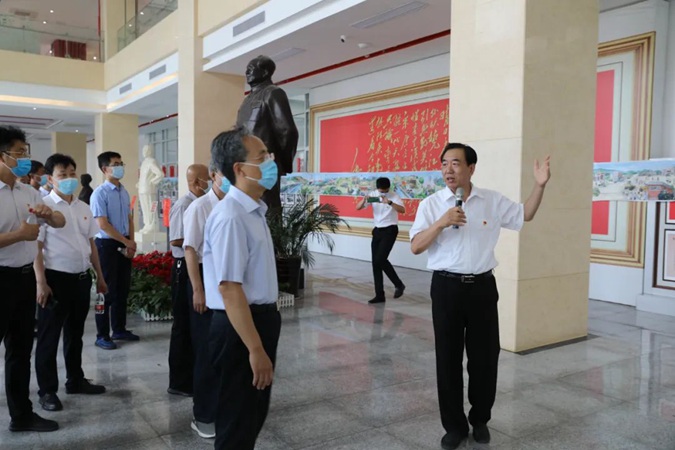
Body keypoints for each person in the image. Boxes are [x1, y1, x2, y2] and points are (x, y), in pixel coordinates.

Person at [409, 143, 551, 449]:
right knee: (447, 359)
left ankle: (480, 419)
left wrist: (539, 186)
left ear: (471, 168)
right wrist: (442, 222)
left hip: (483, 289)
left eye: (455, 163)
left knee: (485, 359)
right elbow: (416, 246)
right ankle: (454, 426)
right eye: (444, 163)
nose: (448, 170)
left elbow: (525, 214)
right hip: (446, 288)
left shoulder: (492, 201)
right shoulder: (431, 205)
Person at [204, 126, 281, 449]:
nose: (271, 162)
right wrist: (255, 349)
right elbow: (230, 289)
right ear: (239, 168)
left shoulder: (253, 211)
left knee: (251, 414)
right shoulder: (232, 217)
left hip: (257, 320)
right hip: (240, 328)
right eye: (262, 158)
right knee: (237, 421)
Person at [0, 125, 65, 432]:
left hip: (24, 279)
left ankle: (21, 415)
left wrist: (50, 215)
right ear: (2, 156)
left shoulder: (29, 191)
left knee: (20, 350)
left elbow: (59, 220)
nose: (25, 159)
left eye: (26, 152)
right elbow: (24, 234)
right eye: (19, 153)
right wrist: (19, 235)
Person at [34, 154, 108, 412]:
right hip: (55, 280)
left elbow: (91, 245)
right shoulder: (43, 207)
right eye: (62, 175)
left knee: (75, 334)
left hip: (80, 278)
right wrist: (40, 282)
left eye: (71, 173)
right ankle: (47, 391)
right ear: (50, 178)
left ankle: (75, 380)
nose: (68, 179)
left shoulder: (83, 207)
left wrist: (100, 276)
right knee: (49, 337)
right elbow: (36, 247)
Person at [182, 164, 230, 439]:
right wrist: (197, 289)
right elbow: (190, 249)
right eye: (225, 174)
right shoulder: (200, 207)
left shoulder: (236, 205)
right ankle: (203, 415)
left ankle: (222, 406)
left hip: (227, 280)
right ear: (213, 176)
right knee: (206, 350)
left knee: (226, 349)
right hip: (204, 277)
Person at [167, 163, 209, 398]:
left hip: (198, 267)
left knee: (196, 325)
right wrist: (200, 238)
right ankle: (179, 382)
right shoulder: (184, 205)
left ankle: (194, 376)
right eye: (207, 178)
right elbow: (176, 240)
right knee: (182, 325)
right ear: (196, 182)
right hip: (183, 268)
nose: (209, 182)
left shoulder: (203, 203)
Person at [90, 151, 139, 350]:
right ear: (105, 169)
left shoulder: (123, 191)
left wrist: (131, 242)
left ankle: (119, 328)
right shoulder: (99, 193)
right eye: (115, 164)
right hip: (107, 246)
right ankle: (102, 334)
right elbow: (102, 224)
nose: (120, 167)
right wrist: (125, 241)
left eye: (121, 163)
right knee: (106, 291)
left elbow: (129, 219)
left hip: (124, 243)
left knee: (122, 290)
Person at [236, 55, 299, 210]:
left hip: (264, 165)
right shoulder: (247, 99)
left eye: (251, 69)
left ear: (265, 72)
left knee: (267, 209)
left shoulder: (273, 93)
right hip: (246, 165)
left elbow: (288, 131)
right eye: (246, 69)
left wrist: (281, 163)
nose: (247, 72)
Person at [356, 177, 406, 304]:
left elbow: (402, 210)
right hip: (377, 230)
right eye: (381, 191)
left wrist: (389, 202)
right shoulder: (373, 195)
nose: (383, 193)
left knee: (380, 259)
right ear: (377, 188)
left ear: (389, 188)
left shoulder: (394, 196)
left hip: (390, 230)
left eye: (385, 190)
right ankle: (379, 295)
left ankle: (399, 284)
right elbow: (358, 208)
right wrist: (364, 200)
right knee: (375, 263)